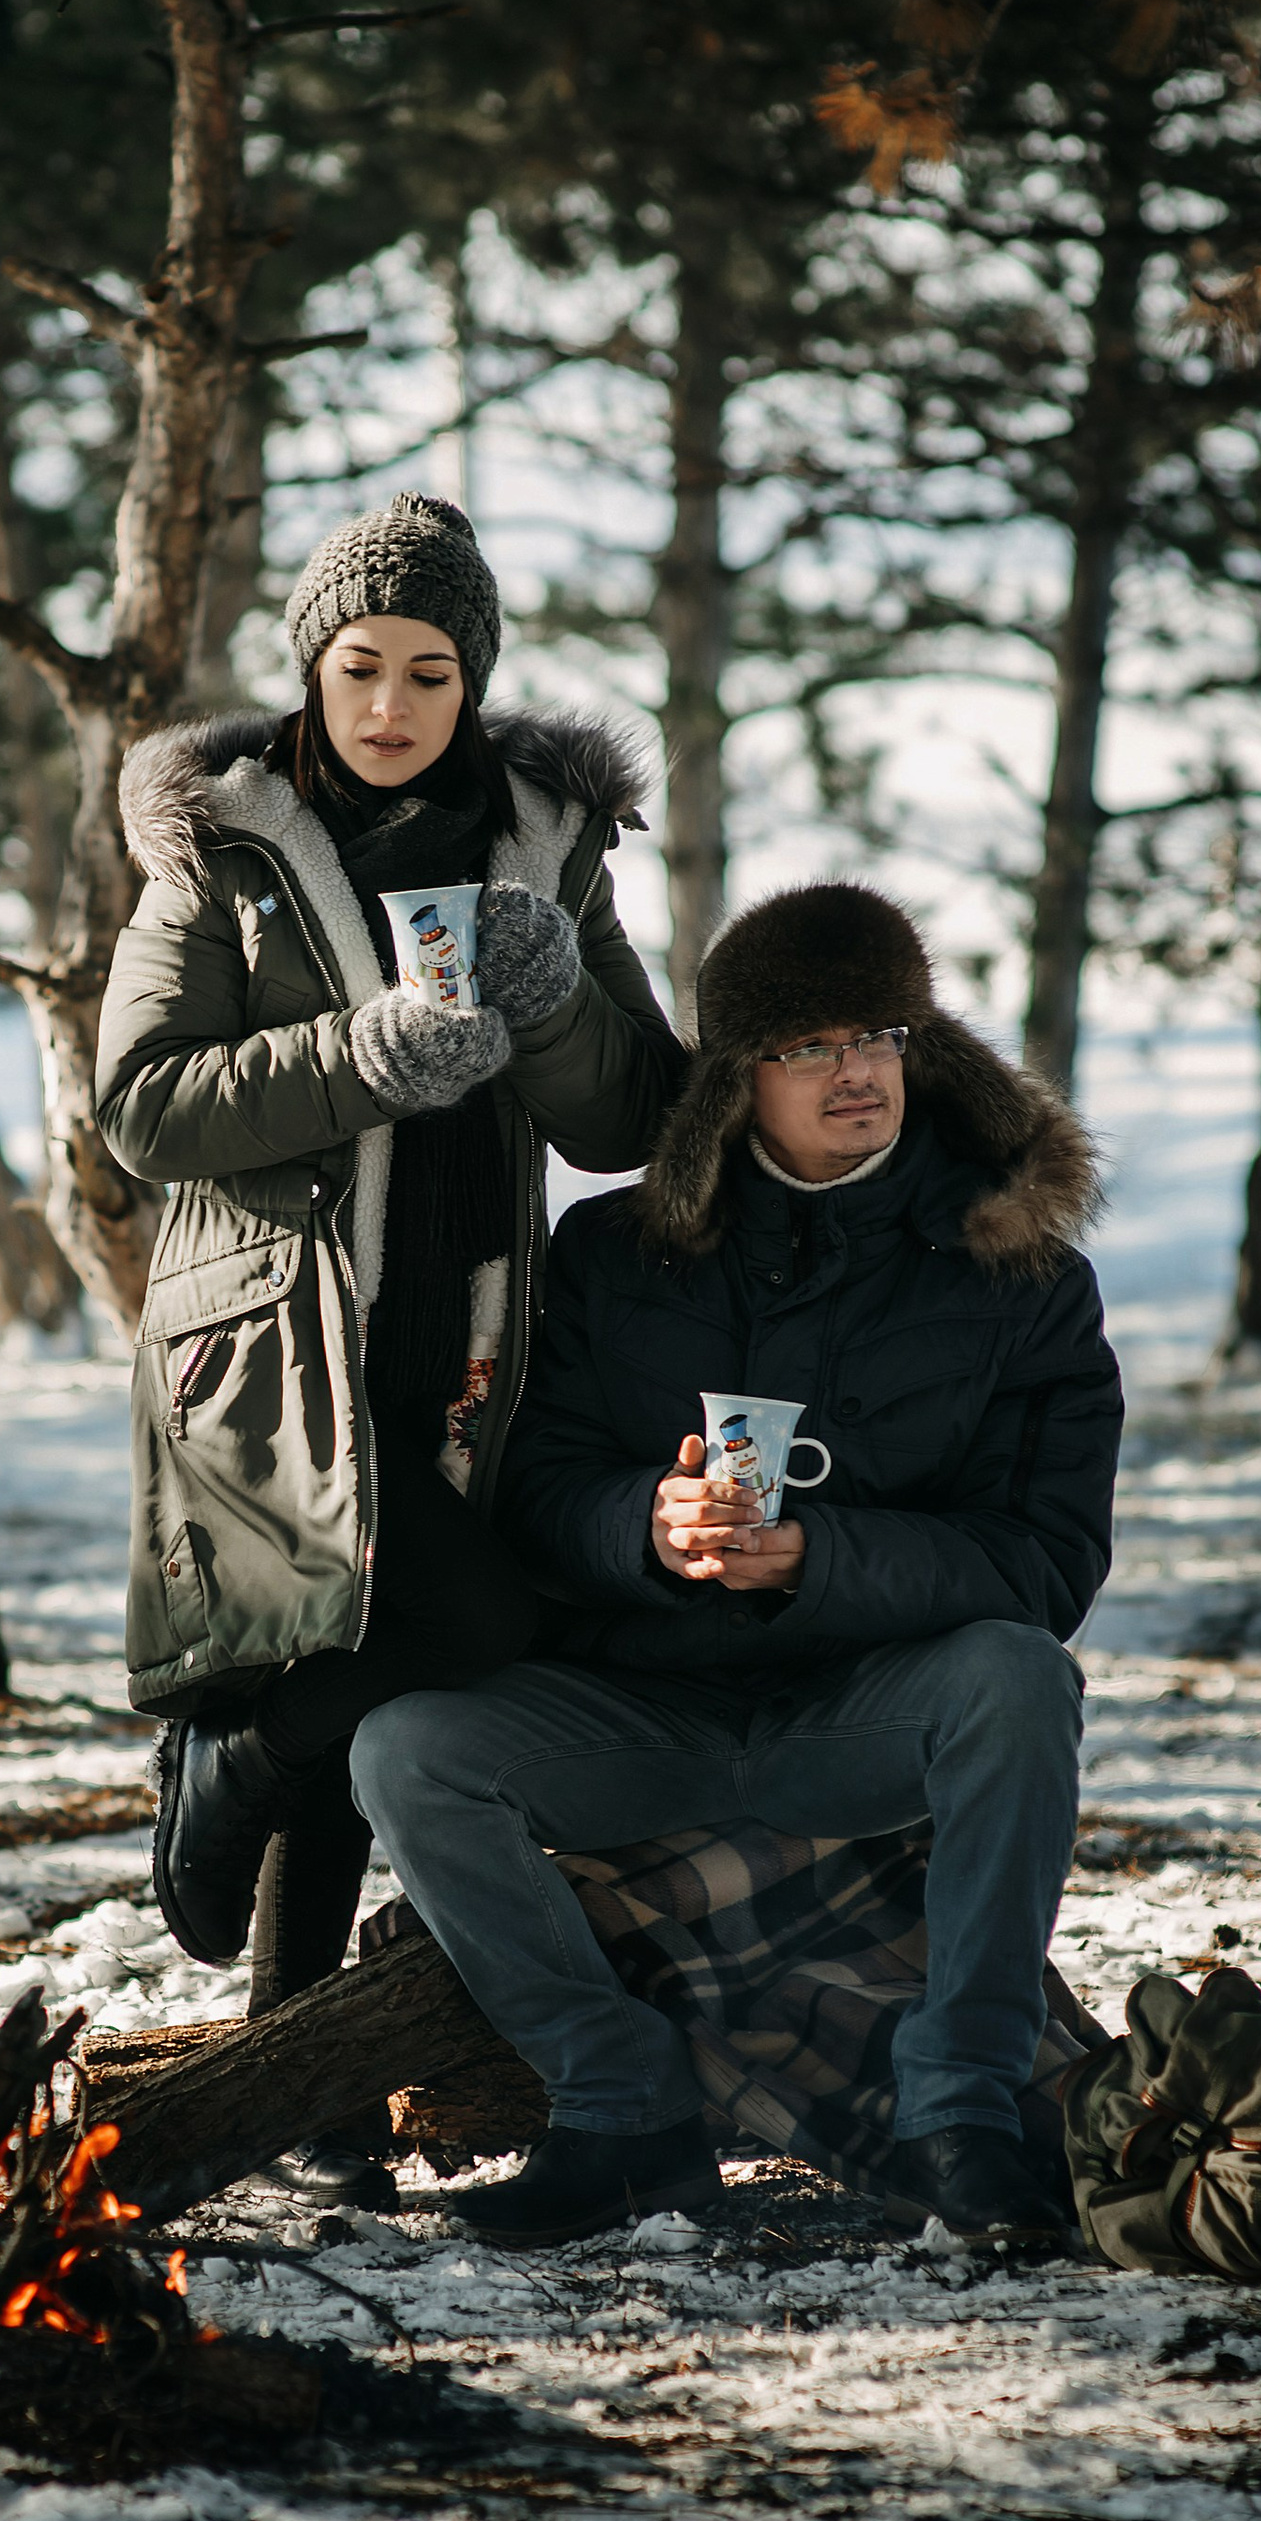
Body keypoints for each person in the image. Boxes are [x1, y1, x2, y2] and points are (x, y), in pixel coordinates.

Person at [350, 878, 1123, 2246]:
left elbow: (1044, 1563)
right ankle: (619, 2110)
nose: (856, 1072)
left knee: (1018, 1679)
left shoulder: (1019, 1275)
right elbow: (530, 1489)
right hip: (648, 1707)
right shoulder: (612, 1252)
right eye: (808, 1047)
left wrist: (818, 1561)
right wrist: (642, 1528)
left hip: (864, 1710)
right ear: (736, 1077)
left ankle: (966, 2114)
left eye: (880, 1034)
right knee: (409, 1749)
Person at [94, 490, 680, 2200]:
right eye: (361, 665)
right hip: (274, 1346)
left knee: (392, 1673)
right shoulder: (229, 839)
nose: (392, 702)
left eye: (431, 669)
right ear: (312, 665)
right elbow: (141, 1104)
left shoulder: (550, 845)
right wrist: (366, 1057)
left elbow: (638, 1113)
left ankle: (309, 2079)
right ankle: (232, 1778)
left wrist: (554, 993)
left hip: (477, 1346)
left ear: (473, 677)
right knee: (444, 1625)